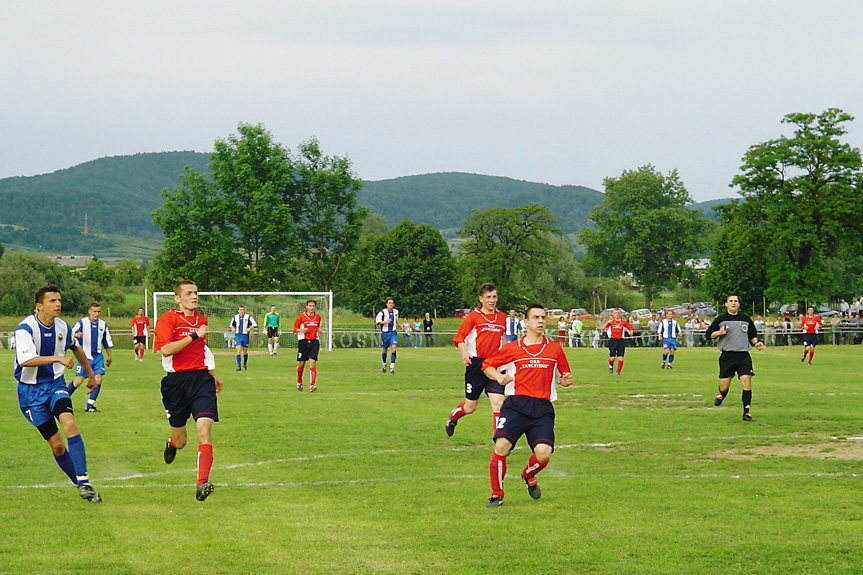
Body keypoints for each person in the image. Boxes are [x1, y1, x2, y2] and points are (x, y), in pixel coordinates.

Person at [13, 285, 103, 503]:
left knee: (69, 422)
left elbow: (76, 348)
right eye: (52, 301)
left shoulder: (63, 327)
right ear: (39, 306)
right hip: (30, 393)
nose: (58, 304)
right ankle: (80, 484)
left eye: (59, 300)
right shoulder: (25, 328)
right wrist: (57, 358)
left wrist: (91, 375)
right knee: (57, 445)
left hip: (55, 385)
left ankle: (84, 481)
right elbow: (26, 360)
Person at [481, 304, 572, 507]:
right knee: (502, 446)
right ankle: (497, 494)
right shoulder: (514, 348)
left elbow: (563, 376)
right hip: (516, 405)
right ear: (526, 322)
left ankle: (528, 475)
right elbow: (487, 365)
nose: (540, 321)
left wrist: (565, 381)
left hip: (542, 409)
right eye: (536, 317)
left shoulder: (554, 349)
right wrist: (499, 377)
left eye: (543, 317)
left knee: (543, 454)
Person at [155, 280, 223, 502]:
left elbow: (201, 349)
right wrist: (194, 334)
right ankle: (172, 443)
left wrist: (212, 374)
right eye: (189, 293)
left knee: (204, 429)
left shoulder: (202, 319)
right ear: (177, 298)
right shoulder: (168, 320)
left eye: (196, 292)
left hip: (201, 380)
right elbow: (166, 350)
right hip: (175, 383)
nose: (194, 296)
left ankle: (202, 482)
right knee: (182, 439)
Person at [445, 282, 507, 438]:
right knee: (470, 407)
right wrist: (465, 354)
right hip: (476, 365)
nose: (492, 300)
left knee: (498, 403)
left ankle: (499, 442)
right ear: (481, 299)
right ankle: (453, 416)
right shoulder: (474, 317)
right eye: (488, 297)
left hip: (494, 365)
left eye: (494, 297)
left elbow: (502, 339)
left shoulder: (501, 317)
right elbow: (460, 338)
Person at [705, 294, 765, 422]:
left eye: (735, 301)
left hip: (743, 355)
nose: (733, 303)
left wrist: (756, 343)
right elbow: (708, 335)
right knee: (724, 387)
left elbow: (752, 335)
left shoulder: (745, 319)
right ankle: (721, 394)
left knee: (746, 382)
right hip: (727, 356)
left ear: (739, 304)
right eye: (731, 301)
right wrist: (719, 333)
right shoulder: (720, 320)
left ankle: (746, 413)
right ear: (726, 304)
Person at [68, 302, 113, 412]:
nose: (96, 314)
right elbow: (69, 334)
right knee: (78, 380)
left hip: (98, 357)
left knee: (99, 378)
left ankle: (89, 405)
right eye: (94, 311)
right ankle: (61, 399)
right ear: (89, 311)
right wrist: (75, 335)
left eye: (98, 312)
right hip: (84, 356)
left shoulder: (103, 325)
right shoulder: (82, 323)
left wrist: (109, 356)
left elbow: (106, 342)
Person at [293, 299, 322, 392]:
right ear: (306, 306)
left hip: (314, 342)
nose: (311, 307)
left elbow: (316, 326)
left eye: (313, 306)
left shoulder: (318, 317)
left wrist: (319, 331)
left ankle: (312, 385)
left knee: (313, 362)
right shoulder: (301, 317)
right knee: (301, 363)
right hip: (303, 342)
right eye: (310, 306)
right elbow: (294, 329)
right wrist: (301, 330)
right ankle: (299, 382)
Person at [602, 308, 633, 375]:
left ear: (620, 314)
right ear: (613, 314)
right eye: (615, 313)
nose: (617, 315)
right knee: (612, 358)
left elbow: (630, 327)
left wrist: (631, 331)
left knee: (620, 357)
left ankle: (618, 372)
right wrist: (607, 322)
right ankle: (611, 365)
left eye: (618, 313)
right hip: (613, 341)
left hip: (620, 341)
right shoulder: (611, 322)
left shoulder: (623, 322)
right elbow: (602, 328)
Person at [229, 305, 257, 371]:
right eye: (240, 310)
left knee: (245, 351)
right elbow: (231, 325)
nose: (242, 311)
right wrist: (233, 328)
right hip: (238, 335)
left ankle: (245, 363)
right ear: (238, 310)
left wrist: (249, 328)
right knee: (238, 350)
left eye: (243, 310)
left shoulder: (248, 317)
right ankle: (238, 366)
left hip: (245, 335)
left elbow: (254, 324)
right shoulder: (235, 317)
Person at [375, 297, 399, 373]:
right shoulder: (382, 312)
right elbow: (378, 322)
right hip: (385, 333)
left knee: (394, 348)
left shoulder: (396, 312)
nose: (390, 304)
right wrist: (386, 322)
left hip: (393, 333)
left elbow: (396, 320)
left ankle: (392, 367)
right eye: (389, 303)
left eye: (392, 303)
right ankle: (384, 364)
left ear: (393, 304)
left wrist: (400, 325)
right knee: (384, 350)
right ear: (386, 304)